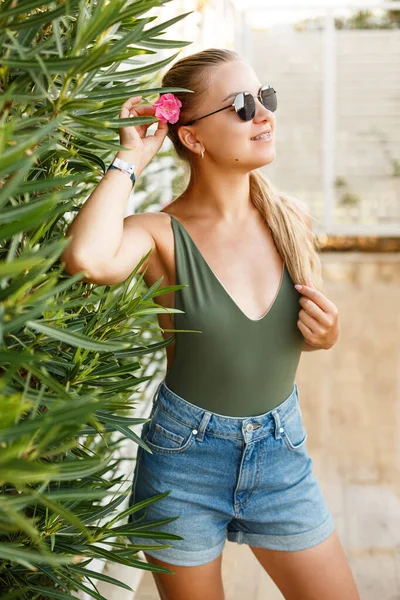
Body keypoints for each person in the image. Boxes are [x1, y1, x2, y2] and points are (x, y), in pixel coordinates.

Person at [61, 48, 359, 600]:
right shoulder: (159, 233)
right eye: (242, 105)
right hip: (184, 464)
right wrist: (131, 159)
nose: (263, 114)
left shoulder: (288, 218)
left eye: (264, 98)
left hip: (281, 455)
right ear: (193, 138)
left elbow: (291, 335)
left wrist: (328, 334)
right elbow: (87, 259)